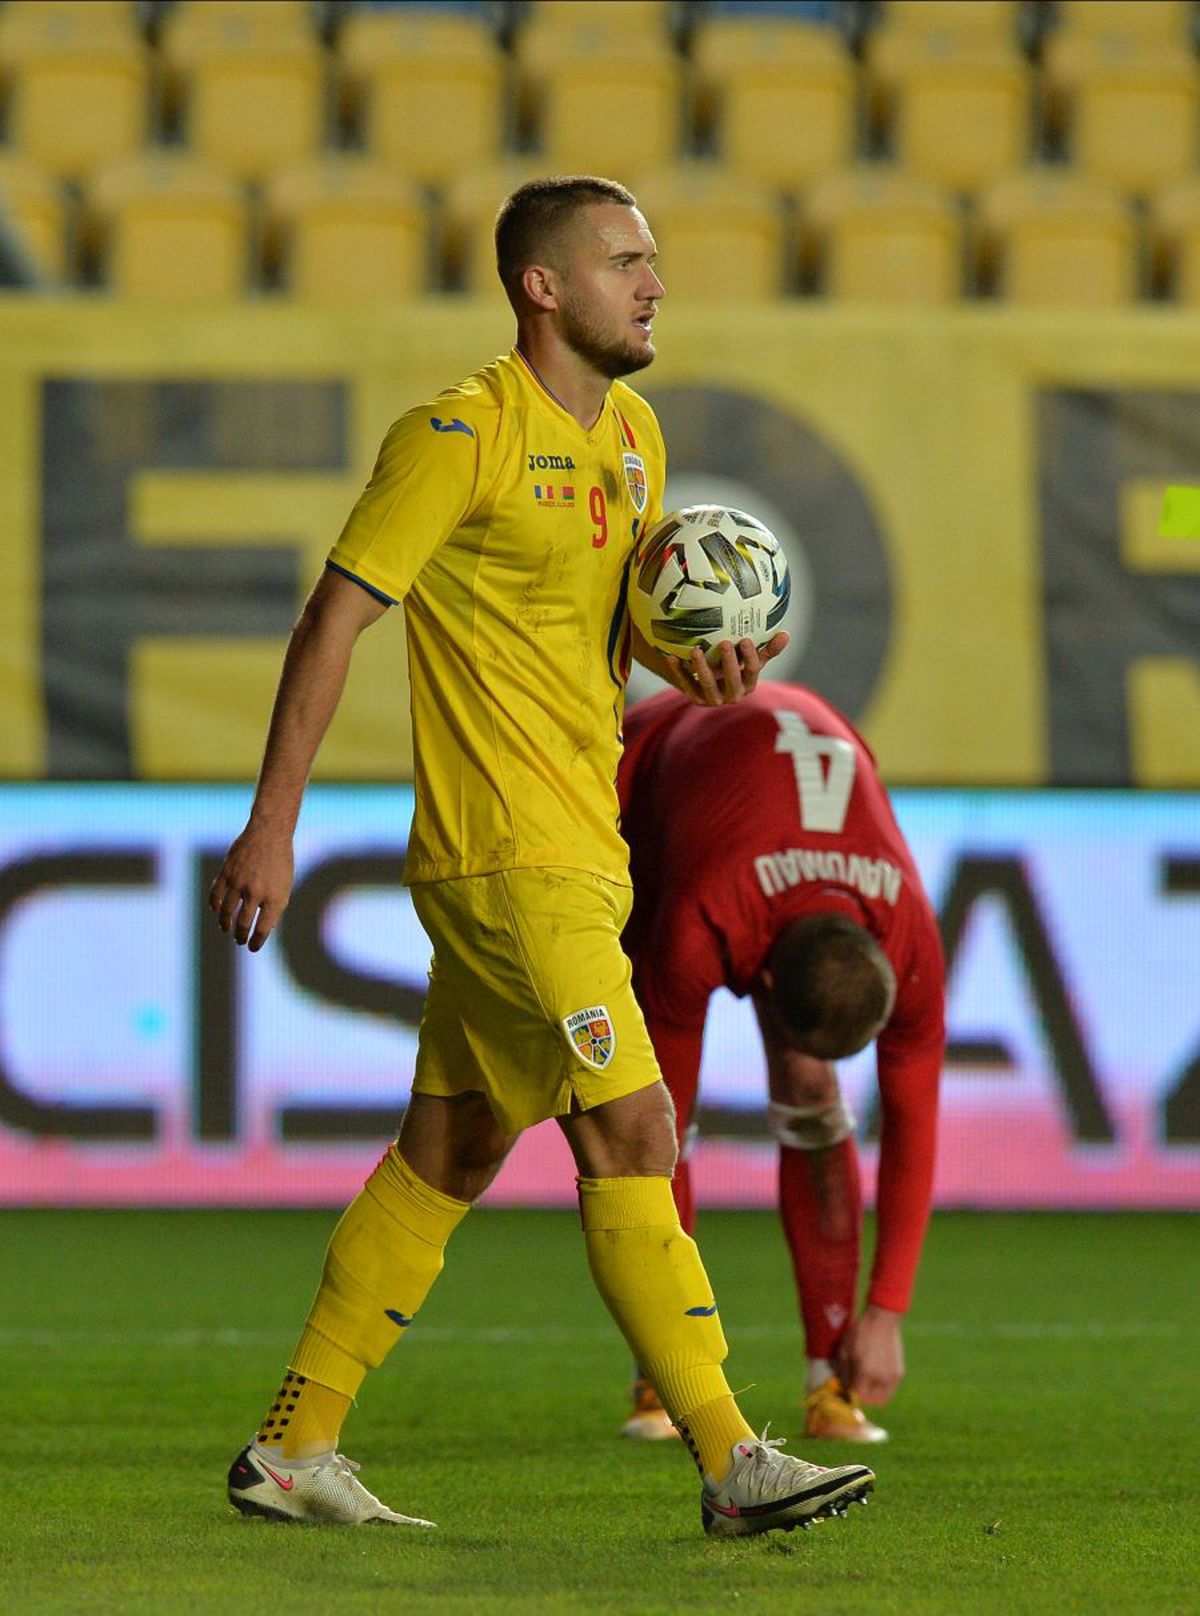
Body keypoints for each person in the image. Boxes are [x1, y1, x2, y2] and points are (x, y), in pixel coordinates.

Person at [209, 176, 875, 1537]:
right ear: (544, 287)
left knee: (448, 1151)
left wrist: (691, 663)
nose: (655, 284)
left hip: (583, 842)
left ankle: (294, 1446)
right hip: (503, 855)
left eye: (656, 260)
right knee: (637, 1128)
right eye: (628, 261)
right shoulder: (455, 437)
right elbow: (333, 623)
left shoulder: (634, 437)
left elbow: (594, 632)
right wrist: (271, 820)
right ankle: (732, 1453)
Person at [614, 683, 945, 1446]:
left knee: (811, 1091)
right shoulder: (701, 921)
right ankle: (660, 1376)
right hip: (642, 774)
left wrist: (887, 1311)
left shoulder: (911, 937)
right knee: (649, 1119)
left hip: (773, 777)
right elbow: (656, 1132)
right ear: (761, 979)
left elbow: (913, 1126)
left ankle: (829, 1382)